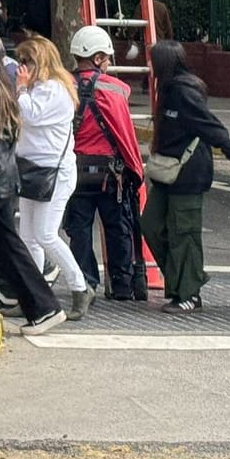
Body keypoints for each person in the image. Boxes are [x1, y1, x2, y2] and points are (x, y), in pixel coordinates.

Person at [0, 28, 66, 339]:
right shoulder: (2, 86)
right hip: (6, 177)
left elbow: (18, 123)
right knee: (10, 244)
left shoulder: (8, 89)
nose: (23, 67)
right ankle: (40, 305)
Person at [140, 41, 230, 314]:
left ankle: (188, 292)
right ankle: (181, 280)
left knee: (184, 233)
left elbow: (206, 123)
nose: (148, 65)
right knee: (151, 223)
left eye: (152, 60)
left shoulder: (184, 91)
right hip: (167, 172)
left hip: (188, 172)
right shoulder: (167, 89)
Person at [61, 26, 145, 300]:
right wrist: (136, 171)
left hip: (75, 172)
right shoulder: (115, 89)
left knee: (79, 230)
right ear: (97, 58)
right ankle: (121, 285)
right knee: (118, 228)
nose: (108, 63)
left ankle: (86, 283)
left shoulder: (62, 86)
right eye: (107, 57)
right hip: (111, 175)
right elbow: (125, 135)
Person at [14, 35, 94, 320]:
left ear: (42, 62)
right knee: (28, 236)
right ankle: (33, 295)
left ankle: (80, 286)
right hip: (32, 168)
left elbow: (32, 116)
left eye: (28, 62)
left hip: (54, 173)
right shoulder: (38, 88)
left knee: (46, 234)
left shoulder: (54, 90)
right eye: (21, 61)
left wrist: (21, 90)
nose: (22, 67)